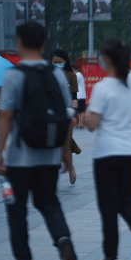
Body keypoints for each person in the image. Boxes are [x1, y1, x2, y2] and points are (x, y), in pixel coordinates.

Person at [0, 22, 77, 260]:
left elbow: (6, 116)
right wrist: (65, 152)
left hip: (21, 156)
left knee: (16, 206)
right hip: (50, 153)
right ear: (43, 44)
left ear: (19, 41)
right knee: (48, 201)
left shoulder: (14, 74)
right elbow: (65, 116)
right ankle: (62, 237)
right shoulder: (56, 74)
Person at [85, 39, 131, 260]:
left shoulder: (103, 88)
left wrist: (87, 114)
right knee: (125, 200)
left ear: (108, 59)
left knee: (108, 206)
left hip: (106, 153)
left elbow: (91, 124)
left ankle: (111, 259)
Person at [51, 50, 79, 184]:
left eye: (59, 62)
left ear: (65, 62)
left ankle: (71, 169)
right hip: (51, 115)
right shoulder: (48, 75)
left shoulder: (71, 76)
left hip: (66, 114)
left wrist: (74, 114)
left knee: (65, 145)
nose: (56, 64)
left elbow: (74, 97)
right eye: (54, 62)